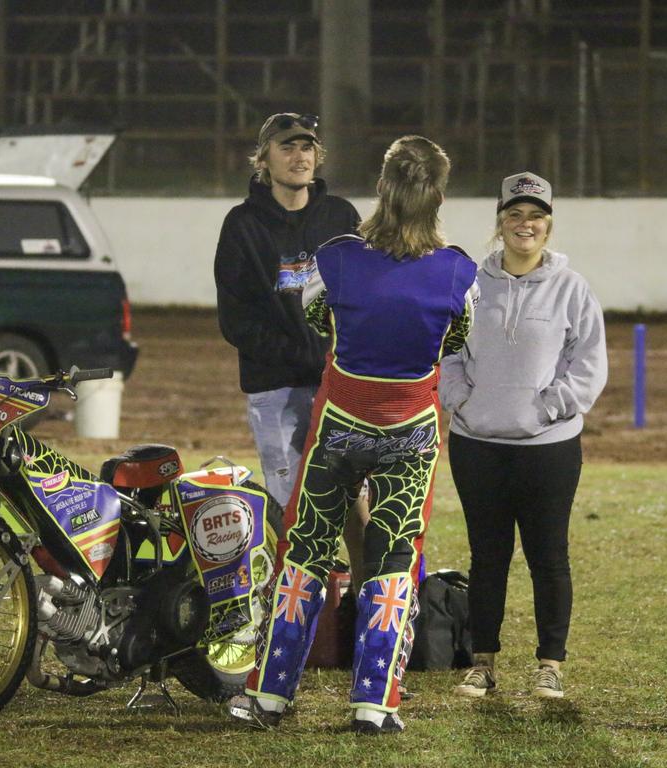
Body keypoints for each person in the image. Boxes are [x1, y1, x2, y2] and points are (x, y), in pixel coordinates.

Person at [231, 135, 479, 735]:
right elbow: (455, 339)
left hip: (341, 421)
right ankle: (375, 702)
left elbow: (318, 318)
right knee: (394, 558)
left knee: (307, 548)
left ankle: (269, 695)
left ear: (382, 188)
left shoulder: (337, 256)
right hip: (411, 429)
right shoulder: (457, 272)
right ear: (438, 196)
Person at [438, 171, 607, 700]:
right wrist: (463, 400)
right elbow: (446, 351)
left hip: (548, 449)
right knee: (487, 556)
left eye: (535, 216)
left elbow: (589, 364)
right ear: (500, 222)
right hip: (477, 444)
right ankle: (482, 663)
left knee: (548, 557)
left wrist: (549, 409)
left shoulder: (572, 288)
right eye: (515, 215)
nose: (524, 224)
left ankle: (550, 664)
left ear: (548, 225)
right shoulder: (469, 284)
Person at [213, 112, 369, 585]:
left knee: (352, 500)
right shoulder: (242, 224)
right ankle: (299, 611)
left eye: (307, 147)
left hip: (338, 386)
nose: (299, 156)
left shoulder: (340, 217)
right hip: (275, 390)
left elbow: (364, 295)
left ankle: (361, 612)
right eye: (287, 147)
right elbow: (236, 318)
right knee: (291, 504)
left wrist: (339, 361)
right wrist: (301, 355)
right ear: (263, 159)